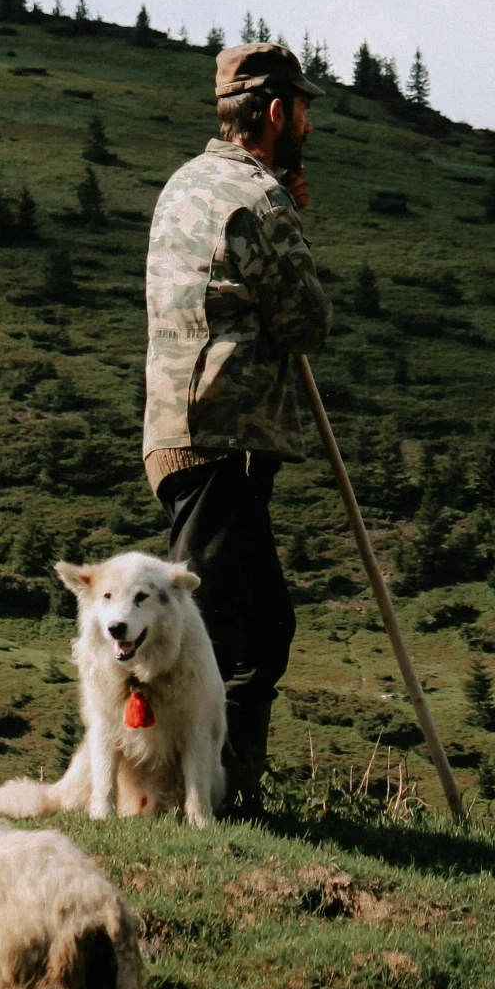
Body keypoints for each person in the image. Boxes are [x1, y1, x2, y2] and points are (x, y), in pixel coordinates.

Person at [142, 40, 332, 813]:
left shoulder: (185, 184)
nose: (309, 129)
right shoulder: (256, 201)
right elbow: (307, 321)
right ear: (278, 112)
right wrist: (288, 218)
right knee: (224, 635)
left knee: (252, 627)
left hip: (179, 432)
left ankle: (217, 794)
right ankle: (189, 800)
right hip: (223, 436)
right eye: (305, 113)